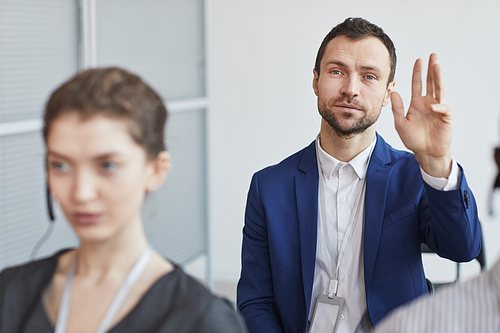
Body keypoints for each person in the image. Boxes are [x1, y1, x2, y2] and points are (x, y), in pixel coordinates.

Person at [237, 17, 481, 333]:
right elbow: (256, 301)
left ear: (387, 91)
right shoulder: (269, 187)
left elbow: (463, 249)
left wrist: (436, 162)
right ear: (315, 80)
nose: (350, 89)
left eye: (369, 76)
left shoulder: (413, 176)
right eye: (337, 71)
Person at [0, 68, 247, 333]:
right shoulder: (11, 292)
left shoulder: (202, 319)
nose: (81, 193)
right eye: (60, 165)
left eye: (107, 165)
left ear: (156, 170)